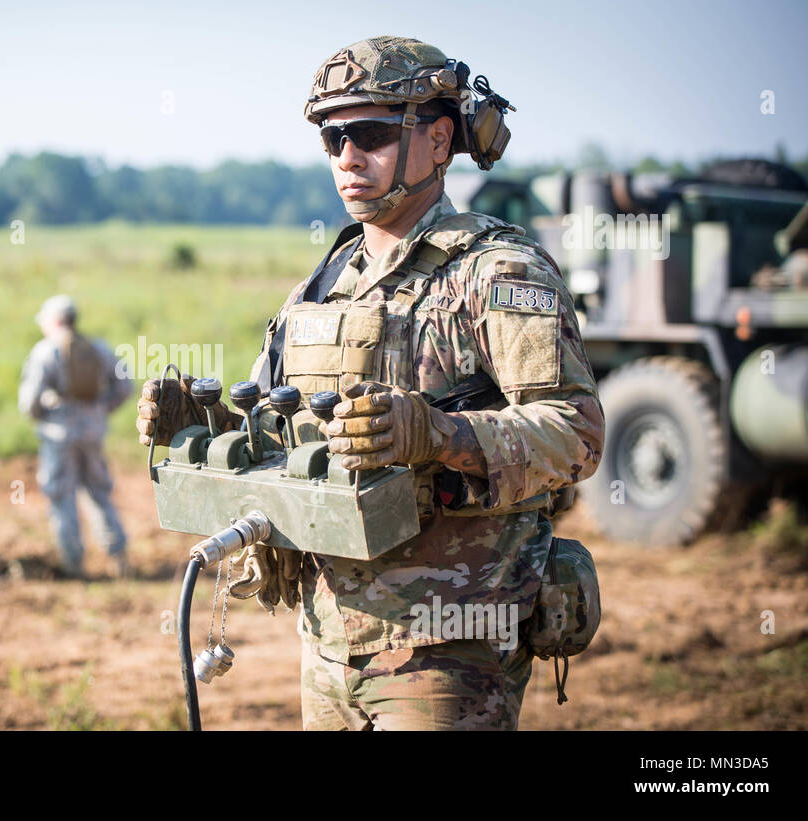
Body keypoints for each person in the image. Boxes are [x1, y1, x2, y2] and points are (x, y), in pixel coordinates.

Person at [137, 36, 604, 729]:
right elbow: (288, 444)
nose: (348, 157)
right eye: (334, 138)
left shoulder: (498, 272)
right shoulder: (323, 286)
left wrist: (439, 433)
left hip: (450, 644)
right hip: (327, 641)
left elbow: (576, 433)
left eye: (373, 133)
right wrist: (203, 433)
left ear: (440, 140)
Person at [19, 295, 133, 579]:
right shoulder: (98, 348)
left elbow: (29, 401)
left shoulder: (45, 351)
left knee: (61, 495)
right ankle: (118, 557)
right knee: (98, 491)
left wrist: (46, 414)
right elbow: (124, 386)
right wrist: (100, 410)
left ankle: (73, 563)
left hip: (59, 435)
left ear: (55, 321)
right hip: (93, 432)